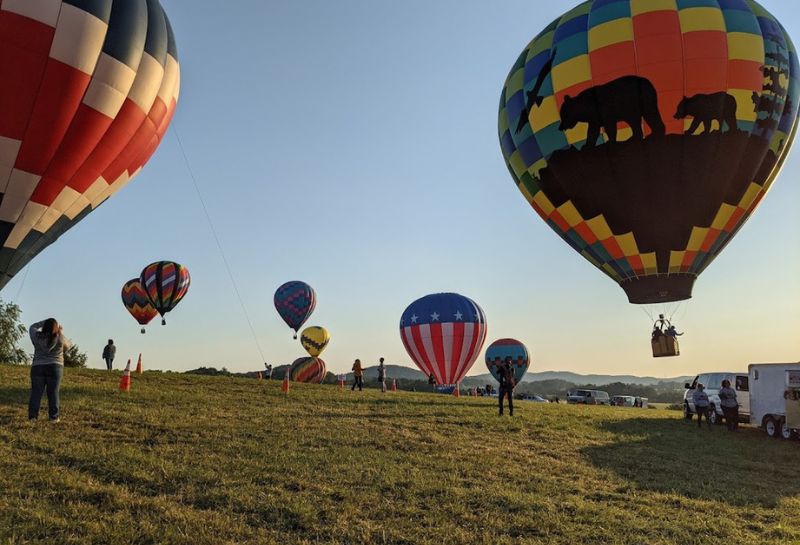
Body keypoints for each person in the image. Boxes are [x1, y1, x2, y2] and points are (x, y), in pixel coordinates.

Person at [28, 318, 71, 423]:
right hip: (55, 367)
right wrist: (60, 331)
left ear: (44, 326)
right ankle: (54, 417)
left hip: (38, 366)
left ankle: (33, 417)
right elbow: (68, 346)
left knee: (36, 393)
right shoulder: (60, 337)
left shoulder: (37, 336)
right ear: (56, 328)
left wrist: (44, 322)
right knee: (53, 392)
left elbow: (32, 327)